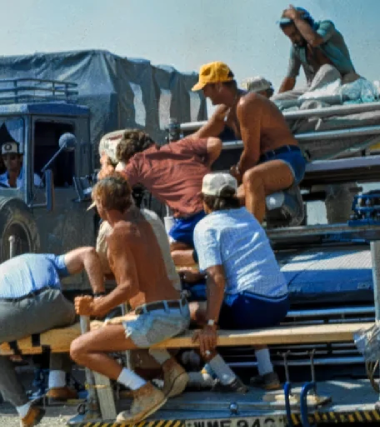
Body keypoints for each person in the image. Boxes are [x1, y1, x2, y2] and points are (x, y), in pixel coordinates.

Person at [69, 175, 190, 424]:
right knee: (117, 324)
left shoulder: (117, 233)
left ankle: (143, 391)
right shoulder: (144, 223)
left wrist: (97, 306)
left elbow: (128, 286)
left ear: (102, 204)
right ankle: (170, 367)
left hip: (159, 319)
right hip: (178, 311)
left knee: (79, 348)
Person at [0, 247, 105, 427]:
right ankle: (57, 384)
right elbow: (88, 253)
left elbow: (5, 320)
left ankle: (24, 410)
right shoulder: (48, 259)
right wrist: (100, 297)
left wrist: (13, 346)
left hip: (3, 310)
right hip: (48, 302)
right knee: (69, 327)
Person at [180, 173, 291, 392]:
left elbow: (217, 278)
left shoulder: (205, 226)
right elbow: (236, 267)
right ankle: (268, 373)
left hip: (251, 307)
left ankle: (227, 378)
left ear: (204, 199)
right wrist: (200, 275)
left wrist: (210, 325)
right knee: (246, 301)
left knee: (190, 312)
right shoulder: (248, 217)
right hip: (279, 304)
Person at [191, 61, 307, 223]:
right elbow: (197, 137)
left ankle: (254, 234)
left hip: (286, 159)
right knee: (225, 202)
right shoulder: (224, 111)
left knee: (252, 177)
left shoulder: (247, 103)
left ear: (218, 86)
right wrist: (167, 151)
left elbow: (251, 155)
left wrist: (236, 174)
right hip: (263, 165)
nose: (204, 94)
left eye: (205, 88)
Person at [98, 129, 223, 266]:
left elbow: (112, 185)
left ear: (129, 157)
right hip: (221, 203)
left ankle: (212, 253)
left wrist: (105, 163)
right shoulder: (179, 145)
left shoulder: (138, 162)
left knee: (169, 255)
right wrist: (207, 164)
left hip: (195, 212)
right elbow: (215, 143)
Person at [274, 6, 360, 101]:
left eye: (294, 34)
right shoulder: (296, 46)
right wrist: (270, 104)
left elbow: (314, 40)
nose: (292, 40)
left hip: (345, 82)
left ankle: (308, 100)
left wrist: (296, 17)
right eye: (289, 36)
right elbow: (290, 79)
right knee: (276, 100)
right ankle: (308, 100)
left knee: (328, 69)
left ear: (304, 24)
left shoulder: (326, 26)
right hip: (314, 89)